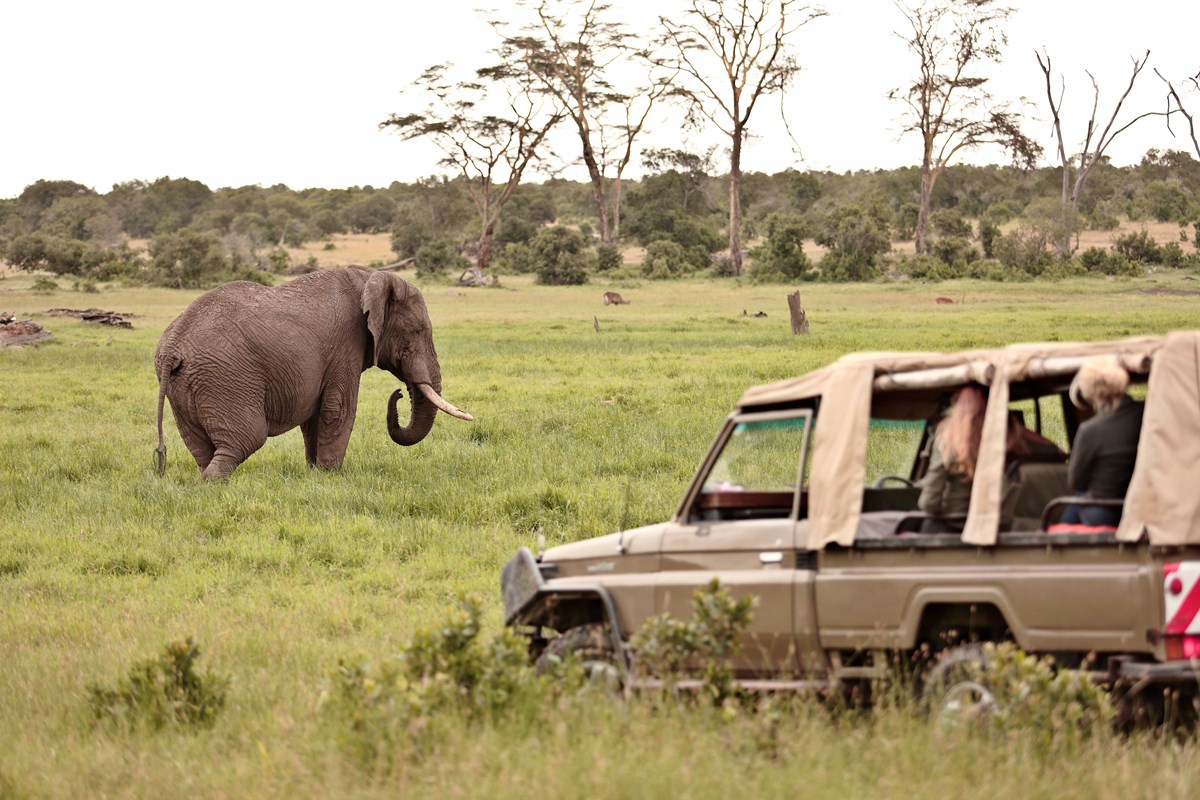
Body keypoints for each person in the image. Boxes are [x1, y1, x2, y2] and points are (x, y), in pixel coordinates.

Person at [917, 386, 1050, 533]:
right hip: (996, 525)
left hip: (955, 523)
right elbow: (1051, 450)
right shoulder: (1011, 441)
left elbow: (928, 503)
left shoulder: (949, 444)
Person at [1060, 357, 1145, 527]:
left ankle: (1051, 539)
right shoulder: (1147, 412)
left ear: (1091, 392)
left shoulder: (1090, 430)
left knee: (1079, 496)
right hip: (1141, 506)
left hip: (1105, 512)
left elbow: (1075, 481)